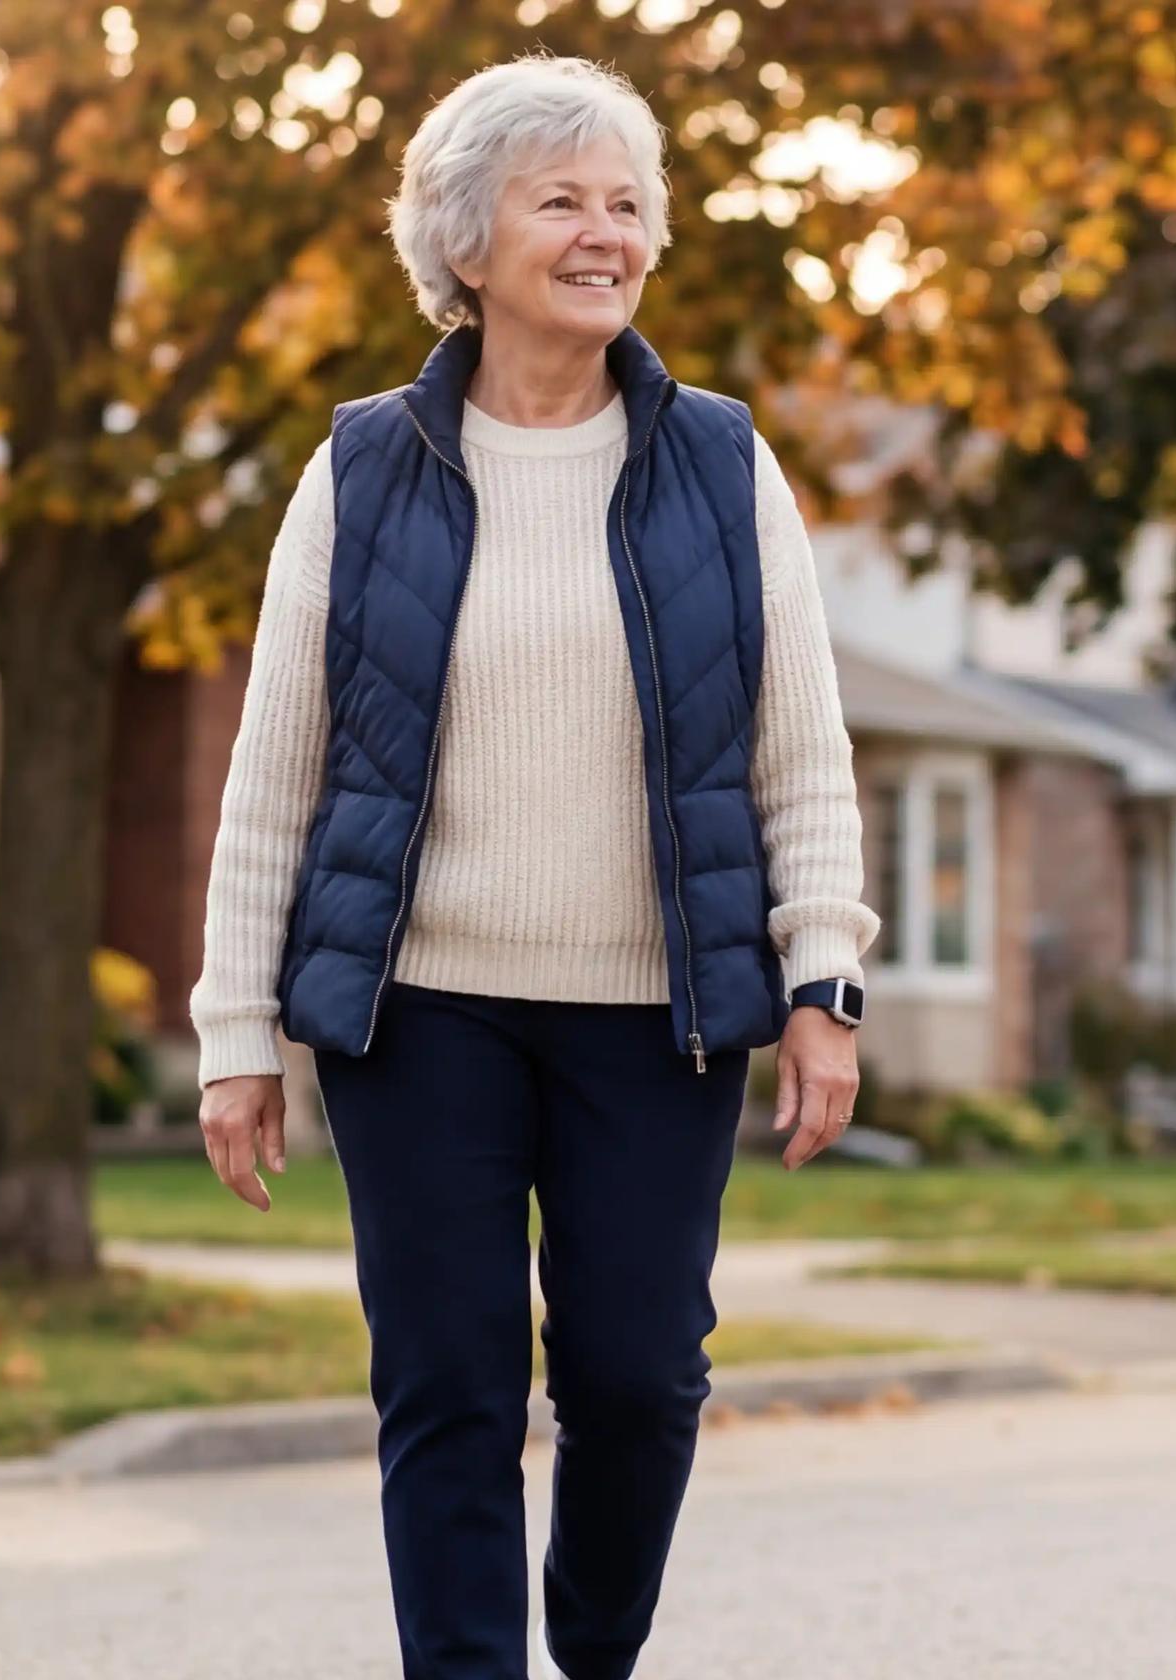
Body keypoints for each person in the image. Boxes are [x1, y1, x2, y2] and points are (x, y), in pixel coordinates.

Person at [185, 53, 878, 1680]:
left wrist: (824, 981)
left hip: (658, 1013)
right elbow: (275, 773)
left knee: (640, 1380)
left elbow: (799, 749)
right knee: (449, 1382)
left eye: (628, 202)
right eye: (560, 199)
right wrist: (237, 1033)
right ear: (465, 244)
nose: (605, 233)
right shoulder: (365, 468)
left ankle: (591, 1647)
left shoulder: (719, 465)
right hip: (422, 1014)